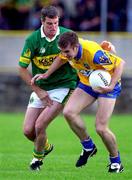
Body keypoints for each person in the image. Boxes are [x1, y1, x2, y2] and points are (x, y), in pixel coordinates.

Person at [19, 5, 115, 171]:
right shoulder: (32, 40)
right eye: (49, 23)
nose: (53, 27)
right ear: (42, 21)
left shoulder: (65, 36)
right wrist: (39, 90)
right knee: (28, 130)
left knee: (40, 125)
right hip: (42, 87)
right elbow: (21, 69)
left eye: (56, 23)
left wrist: (105, 49)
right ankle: (46, 146)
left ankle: (37, 160)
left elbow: (84, 48)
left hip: (64, 86)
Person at [33, 32, 125, 173]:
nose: (65, 54)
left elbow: (120, 64)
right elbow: (61, 58)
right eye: (62, 51)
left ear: (76, 47)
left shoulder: (93, 53)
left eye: (67, 52)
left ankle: (116, 162)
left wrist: (111, 85)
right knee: (69, 112)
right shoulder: (67, 50)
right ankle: (88, 146)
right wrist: (46, 74)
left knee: (101, 128)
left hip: (108, 85)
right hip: (87, 84)